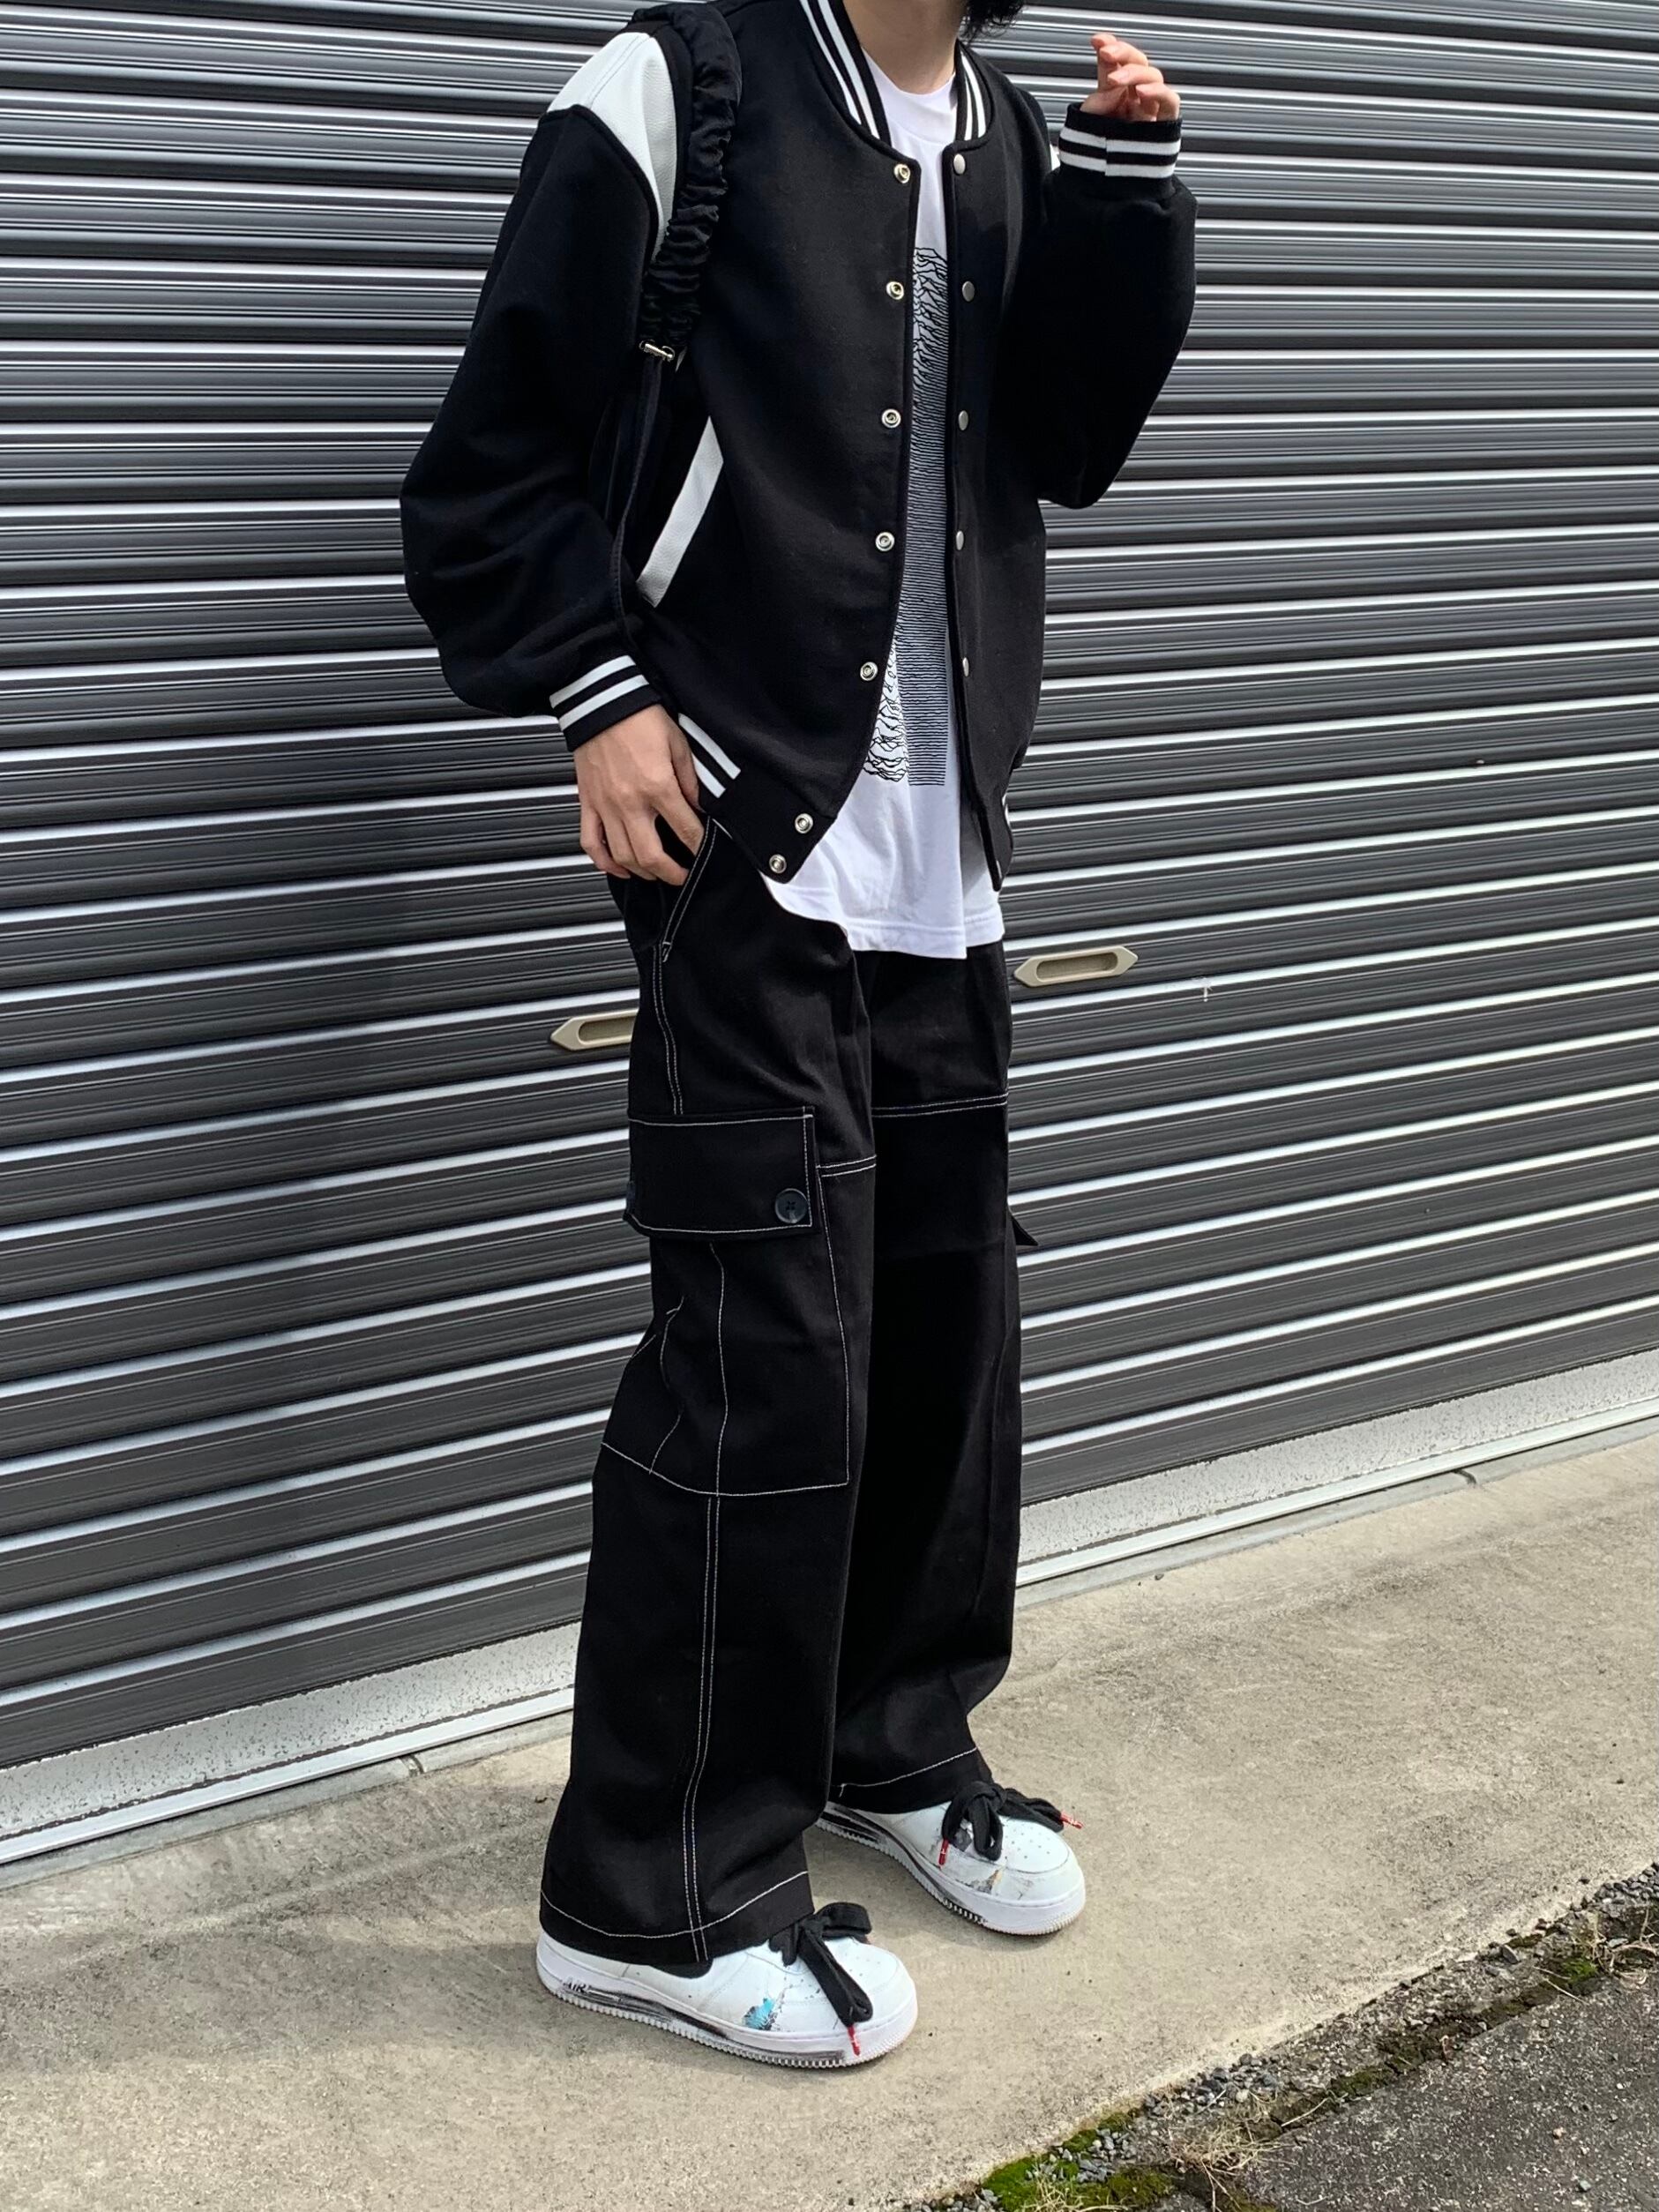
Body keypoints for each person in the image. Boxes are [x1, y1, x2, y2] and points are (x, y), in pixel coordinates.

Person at [401, 0, 1194, 2071]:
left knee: (938, 1325)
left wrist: (1125, 201)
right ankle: (650, 1892)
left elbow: (1064, 447)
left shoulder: (1009, 132)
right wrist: (595, 693)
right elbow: (487, 458)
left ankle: (886, 1738)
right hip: (739, 830)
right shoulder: (683, 87)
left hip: (944, 843)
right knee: (761, 1349)